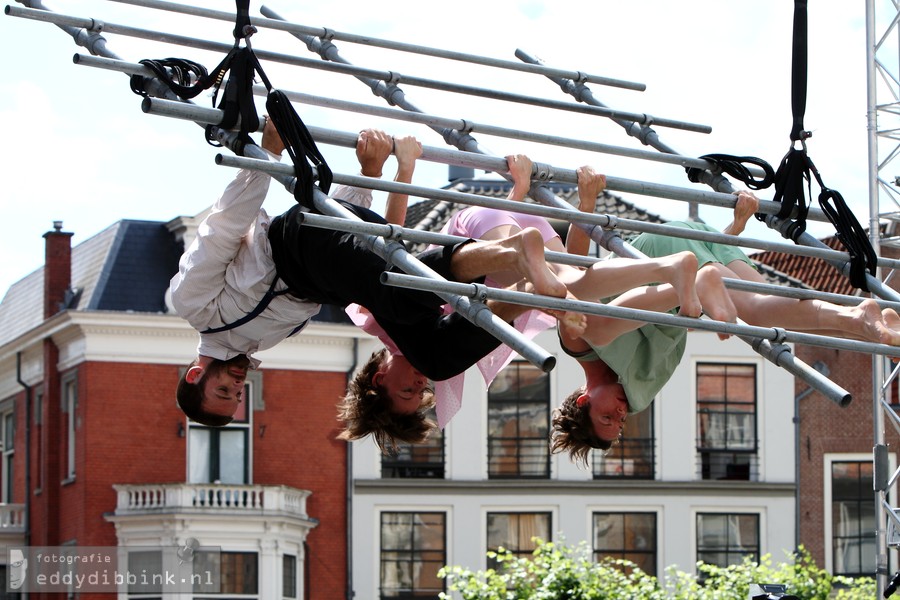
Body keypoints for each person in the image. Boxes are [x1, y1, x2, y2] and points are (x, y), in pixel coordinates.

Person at [171, 119, 568, 450]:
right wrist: (370, 176)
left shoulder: (195, 306)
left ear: (195, 375)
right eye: (237, 397)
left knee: (397, 299)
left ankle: (510, 254)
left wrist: (267, 154)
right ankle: (522, 288)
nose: (238, 387)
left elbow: (223, 228)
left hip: (294, 244)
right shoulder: (263, 342)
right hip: (329, 266)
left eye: (224, 391)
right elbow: (344, 245)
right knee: (436, 359)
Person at [340, 154, 706, 438]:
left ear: (378, 378)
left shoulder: (382, 322)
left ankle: (658, 273)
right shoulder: (443, 357)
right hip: (517, 233)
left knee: (559, 288)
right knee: (570, 281)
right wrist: (524, 192)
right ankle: (666, 269)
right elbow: (514, 290)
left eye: (408, 390)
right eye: (421, 393)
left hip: (476, 232)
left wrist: (405, 167)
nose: (422, 384)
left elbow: (391, 241)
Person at [550, 189, 900, 466]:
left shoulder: (578, 346)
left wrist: (587, 200)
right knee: (760, 311)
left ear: (584, 399)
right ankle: (857, 317)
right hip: (702, 246)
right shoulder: (638, 381)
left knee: (589, 326)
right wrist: (733, 230)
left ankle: (698, 283)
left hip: (663, 253)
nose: (622, 412)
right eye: (621, 422)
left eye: (608, 415)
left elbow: (575, 272)